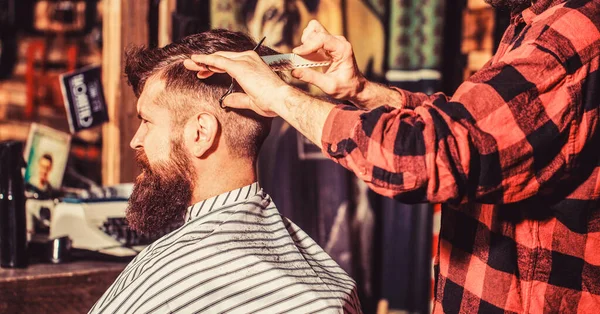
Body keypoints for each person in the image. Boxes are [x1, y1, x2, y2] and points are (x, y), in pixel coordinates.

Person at [184, 0, 600, 312]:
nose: (137, 141)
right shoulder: (530, 26)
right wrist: (362, 93)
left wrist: (277, 93)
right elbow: (475, 128)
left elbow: (421, 155)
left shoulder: (572, 37)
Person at [89, 29, 361, 314]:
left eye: (147, 120)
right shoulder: (333, 287)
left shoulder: (168, 281)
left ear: (201, 133)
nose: (136, 139)